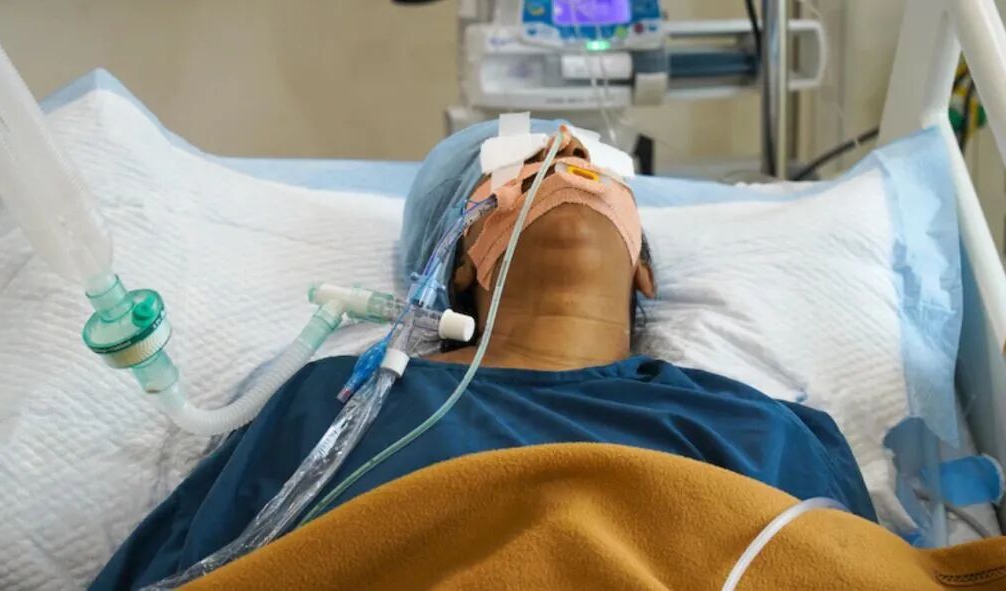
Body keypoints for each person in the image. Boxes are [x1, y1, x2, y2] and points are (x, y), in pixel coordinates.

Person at [89, 121, 876, 590]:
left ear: (645, 267)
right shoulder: (335, 401)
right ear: (459, 259)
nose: (564, 158)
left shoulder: (762, 424)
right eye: (523, 166)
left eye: (591, 166)